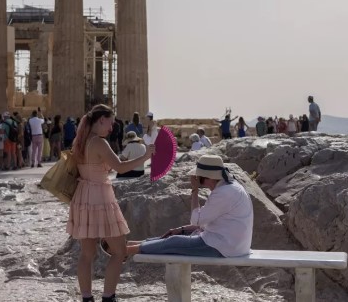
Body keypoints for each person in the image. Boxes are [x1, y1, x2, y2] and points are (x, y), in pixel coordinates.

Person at [67, 104, 155, 302]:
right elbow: (120, 168)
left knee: (87, 254)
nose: (113, 126)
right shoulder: (99, 142)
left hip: (82, 196)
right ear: (101, 120)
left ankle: (87, 298)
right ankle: (108, 297)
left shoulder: (80, 141)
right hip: (100, 196)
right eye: (111, 121)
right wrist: (145, 156)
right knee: (119, 251)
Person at [124, 155, 253, 258]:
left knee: (174, 242)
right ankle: (132, 244)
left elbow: (196, 220)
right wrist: (181, 229)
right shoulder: (231, 187)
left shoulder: (223, 193)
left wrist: (195, 190)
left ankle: (125, 251)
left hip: (224, 247)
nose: (199, 182)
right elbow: (209, 221)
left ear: (209, 177)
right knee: (173, 236)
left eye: (200, 179)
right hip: (233, 244)